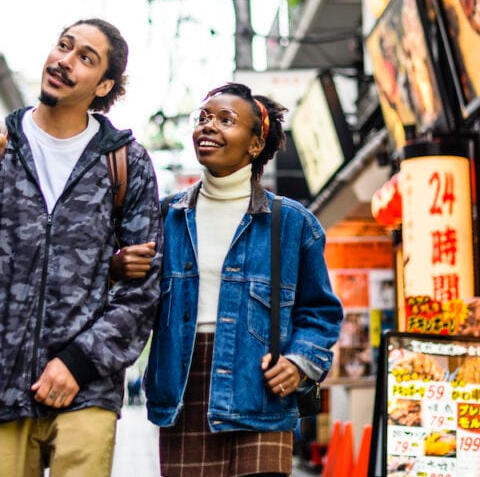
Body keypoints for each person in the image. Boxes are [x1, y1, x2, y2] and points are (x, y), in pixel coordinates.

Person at [0, 18, 163, 477]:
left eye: (85, 58)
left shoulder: (125, 161)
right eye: (63, 46)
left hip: (87, 386)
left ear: (104, 85)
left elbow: (144, 287)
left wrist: (79, 362)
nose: (64, 61)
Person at [113, 82, 344, 477]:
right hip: (184, 391)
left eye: (225, 120)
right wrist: (116, 267)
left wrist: (300, 363)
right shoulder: (164, 218)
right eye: (202, 118)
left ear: (256, 145)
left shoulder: (291, 223)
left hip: (261, 393)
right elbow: (133, 300)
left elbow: (320, 312)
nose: (208, 127)